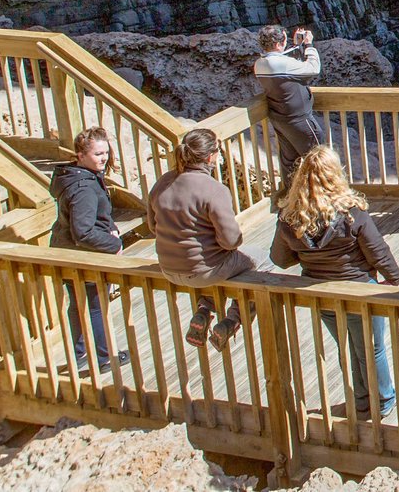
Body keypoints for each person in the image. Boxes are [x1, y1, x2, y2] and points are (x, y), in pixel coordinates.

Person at [271, 145, 399, 418]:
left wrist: (308, 254)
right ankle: (384, 399)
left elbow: (280, 259)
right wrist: (393, 278)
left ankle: (362, 399)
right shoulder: (352, 212)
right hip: (359, 289)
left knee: (348, 347)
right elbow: (378, 251)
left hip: (320, 293)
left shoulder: (290, 217)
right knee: (371, 348)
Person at [148, 128, 268, 351]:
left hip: (169, 268)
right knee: (263, 260)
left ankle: (204, 309)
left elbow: (153, 226)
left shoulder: (162, 183)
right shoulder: (214, 189)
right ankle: (233, 319)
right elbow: (231, 241)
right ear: (211, 156)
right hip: (205, 270)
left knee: (209, 261)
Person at [49, 126, 130, 374]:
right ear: (81, 155)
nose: (104, 157)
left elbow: (93, 218)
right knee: (95, 305)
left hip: (66, 251)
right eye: (97, 153)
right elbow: (83, 231)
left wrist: (111, 227)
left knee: (77, 304)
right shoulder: (83, 187)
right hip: (82, 255)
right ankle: (105, 357)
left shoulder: (75, 175)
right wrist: (114, 244)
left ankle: (79, 354)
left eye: (106, 152)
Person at [253, 24, 323, 199]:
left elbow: (285, 65)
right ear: (278, 43)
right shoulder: (280, 64)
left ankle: (293, 200)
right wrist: (308, 45)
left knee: (290, 163)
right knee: (318, 159)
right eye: (284, 39)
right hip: (300, 120)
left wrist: (296, 46)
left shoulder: (260, 64)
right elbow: (313, 68)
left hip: (281, 119)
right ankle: (324, 199)